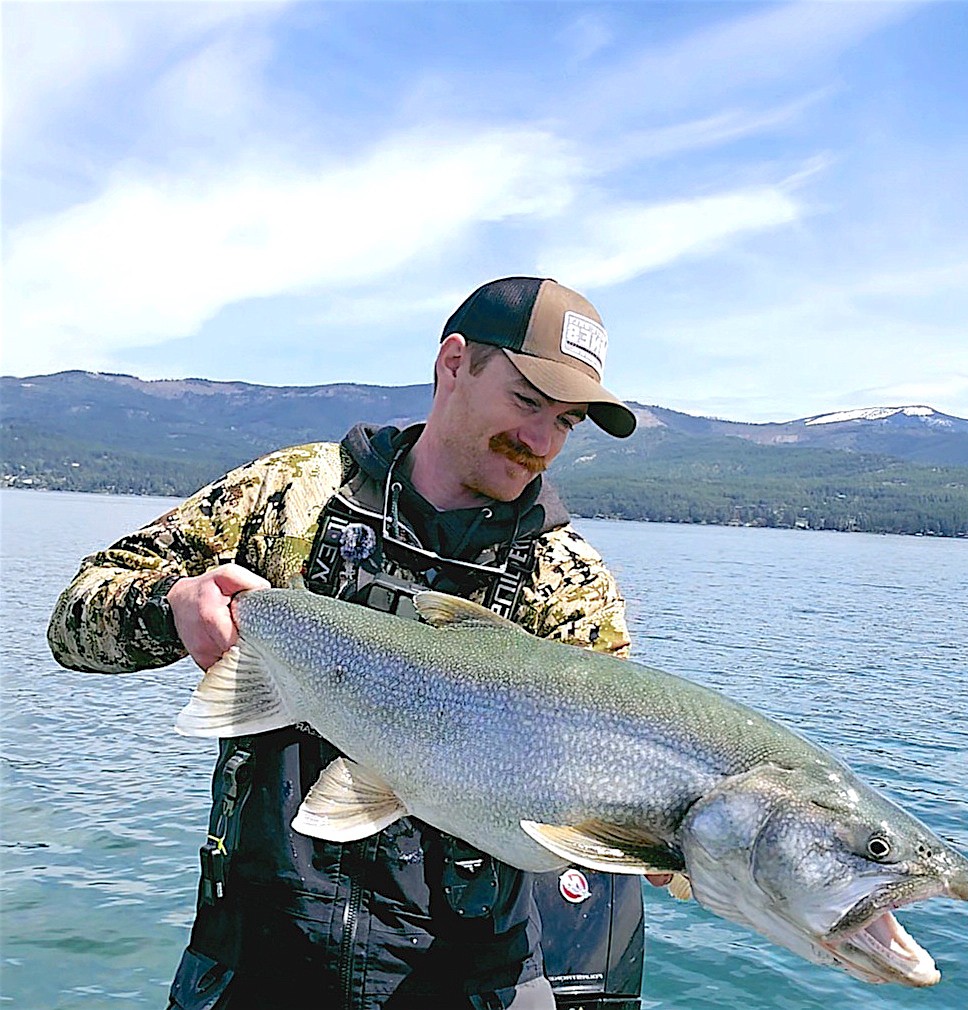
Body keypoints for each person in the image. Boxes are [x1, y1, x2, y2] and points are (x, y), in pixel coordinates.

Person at [48, 276, 657, 1010]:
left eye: (566, 423)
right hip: (256, 961)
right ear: (454, 363)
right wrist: (171, 606)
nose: (540, 443)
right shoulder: (291, 497)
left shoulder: (569, 585)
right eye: (527, 403)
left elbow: (603, 779)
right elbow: (73, 622)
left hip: (463, 980)